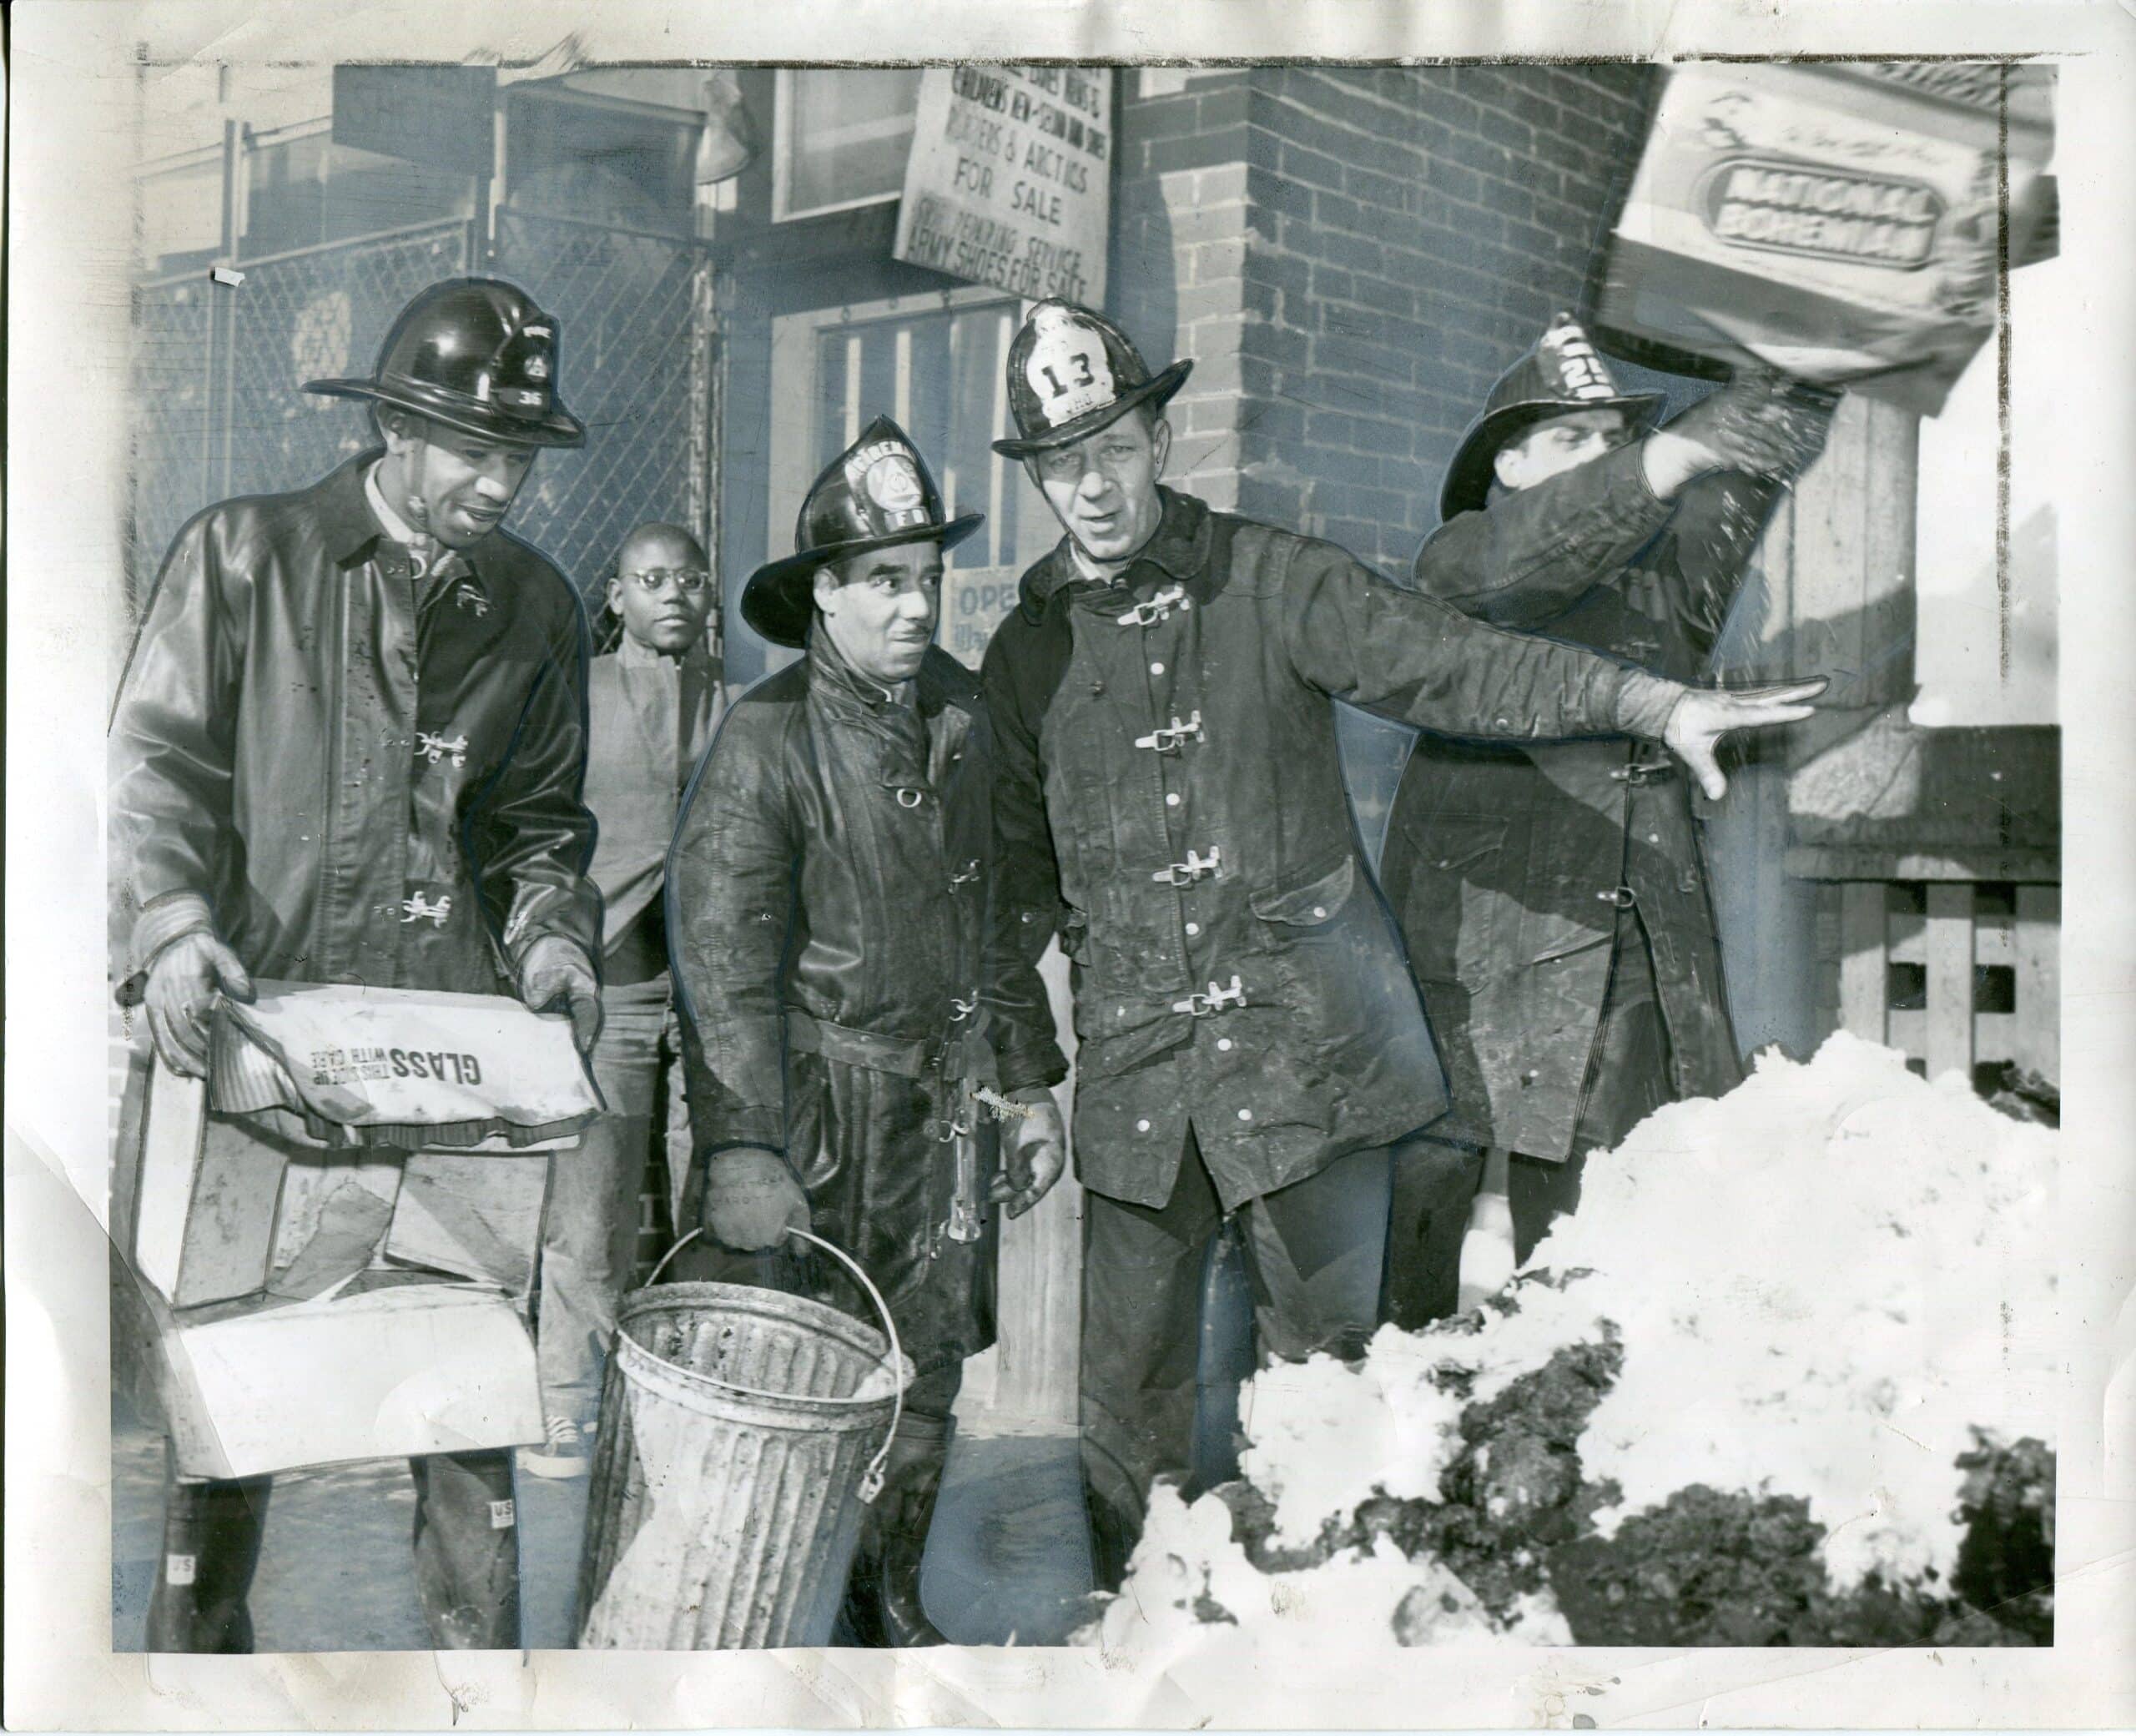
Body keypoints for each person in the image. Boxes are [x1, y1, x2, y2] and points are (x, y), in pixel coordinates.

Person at [975, 299, 1828, 1588]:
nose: (1090, 487)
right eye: (1060, 463)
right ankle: (1129, 1644)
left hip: (1309, 1058)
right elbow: (1006, 889)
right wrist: (1027, 1072)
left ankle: (1316, 1648)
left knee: (1322, 1404)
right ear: (1037, 476)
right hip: (1143, 1081)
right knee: (1127, 1414)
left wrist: (1647, 699)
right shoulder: (1025, 650)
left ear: (1157, 438)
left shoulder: (1275, 579)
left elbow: (1459, 667)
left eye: (1111, 449)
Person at [109, 277, 602, 1651]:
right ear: (393, 426)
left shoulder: (538, 610)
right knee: (227, 1428)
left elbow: (539, 826)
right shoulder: (242, 556)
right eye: (470, 447)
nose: (499, 480)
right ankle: (194, 1693)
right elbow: (155, 768)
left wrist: (555, 935)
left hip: (452, 1072)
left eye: (518, 454)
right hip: (256, 1050)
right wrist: (170, 930)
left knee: (468, 1420)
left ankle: (475, 1695)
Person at [668, 417, 1069, 1647]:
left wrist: (1027, 1081)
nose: (915, 605)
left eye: (929, 578)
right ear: (824, 596)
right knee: (798, 1371)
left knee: (928, 1365)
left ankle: (884, 1597)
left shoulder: (962, 712)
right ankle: (767, 1617)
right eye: (885, 582)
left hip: (941, 1116)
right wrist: (744, 1145)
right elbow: (723, 959)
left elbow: (999, 912)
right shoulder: (767, 736)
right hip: (817, 1121)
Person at [1376, 314, 1836, 1326]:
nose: (1603, 457)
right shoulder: (1464, 558)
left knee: (1612, 1239)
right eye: (1570, 438)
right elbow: (1526, 559)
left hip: (1634, 949)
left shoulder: (1660, 582)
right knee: (1418, 1247)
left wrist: (1821, 352)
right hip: (1488, 956)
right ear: (1506, 459)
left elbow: (1746, 469)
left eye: (1612, 438)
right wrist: (1668, 454)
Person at [522, 523, 726, 1477]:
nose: (673, 595)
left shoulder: (737, 703)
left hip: (713, 985)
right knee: (590, 1202)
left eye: (690, 580)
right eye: (652, 579)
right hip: (612, 982)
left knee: (715, 1193)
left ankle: (695, 1407)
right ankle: (565, 1408)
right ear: (616, 594)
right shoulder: (577, 694)